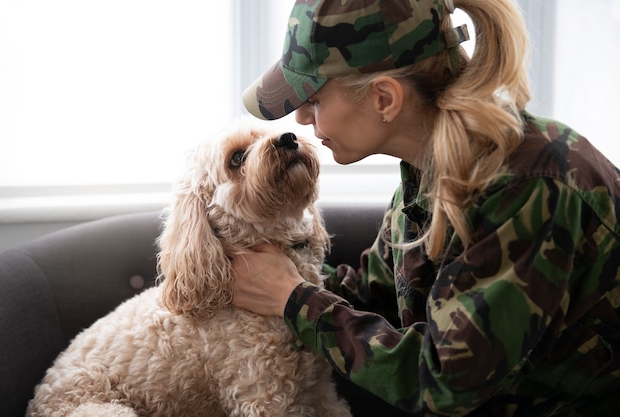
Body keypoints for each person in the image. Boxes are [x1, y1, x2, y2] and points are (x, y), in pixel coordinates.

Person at [233, 0, 620, 415]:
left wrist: (294, 299)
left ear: (385, 98)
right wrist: (273, 270)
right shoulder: (427, 172)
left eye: (313, 99)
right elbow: (372, 296)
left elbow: (448, 383)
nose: (303, 118)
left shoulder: (530, 187)